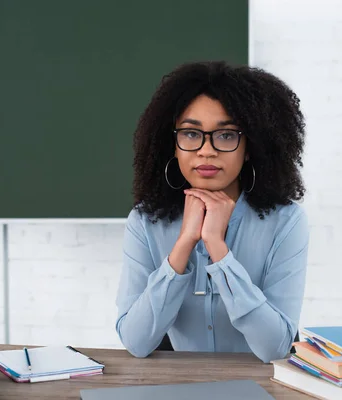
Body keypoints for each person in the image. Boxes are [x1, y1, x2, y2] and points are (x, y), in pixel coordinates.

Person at [115, 60, 309, 363]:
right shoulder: (145, 222)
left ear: (250, 148)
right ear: (173, 146)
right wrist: (184, 245)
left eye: (227, 135)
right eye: (191, 134)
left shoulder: (285, 222)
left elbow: (276, 348)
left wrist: (218, 250)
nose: (207, 150)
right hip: (181, 389)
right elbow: (137, 343)